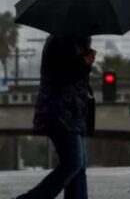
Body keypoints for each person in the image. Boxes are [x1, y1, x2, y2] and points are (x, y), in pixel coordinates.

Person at [17, 34, 96, 199]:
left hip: (73, 112)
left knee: (79, 165)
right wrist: (84, 63)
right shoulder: (62, 39)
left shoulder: (76, 40)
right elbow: (62, 74)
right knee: (73, 162)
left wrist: (85, 61)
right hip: (60, 110)